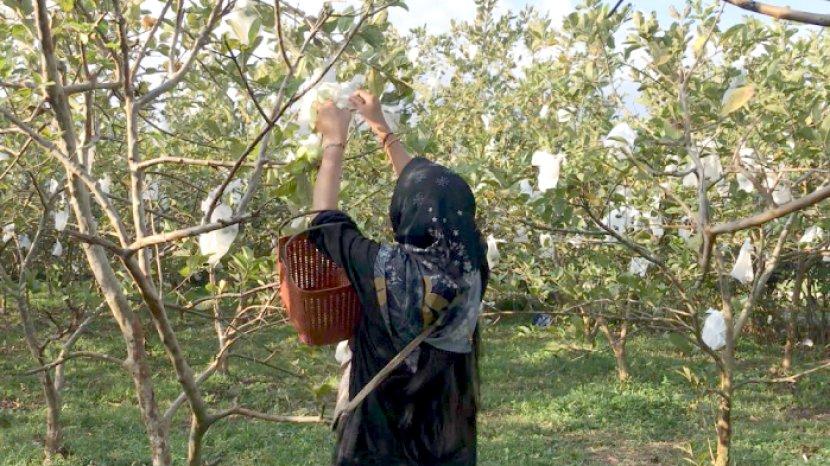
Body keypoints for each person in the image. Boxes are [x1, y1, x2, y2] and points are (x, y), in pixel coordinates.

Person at [307, 90, 489, 466]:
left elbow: (323, 222)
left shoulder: (387, 271)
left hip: (377, 444)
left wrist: (334, 141)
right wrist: (382, 129)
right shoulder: (473, 269)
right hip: (446, 438)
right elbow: (430, 194)